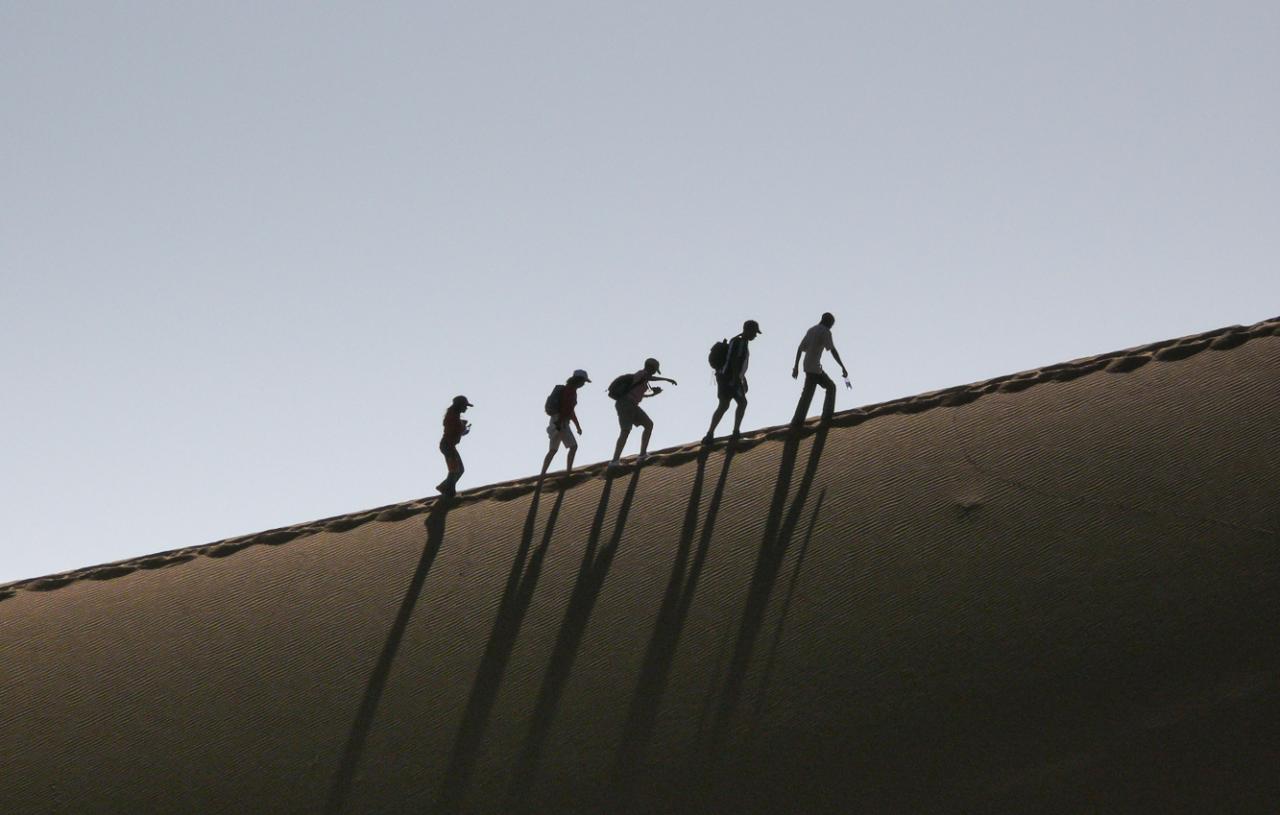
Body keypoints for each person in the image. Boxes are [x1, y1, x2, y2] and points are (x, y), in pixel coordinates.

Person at [609, 357, 677, 469]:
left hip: (632, 405)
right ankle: (614, 461)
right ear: (651, 368)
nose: (654, 372)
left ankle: (642, 455)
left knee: (648, 424)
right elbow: (650, 378)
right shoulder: (642, 374)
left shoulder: (643, 380)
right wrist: (667, 380)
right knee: (625, 431)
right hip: (626, 404)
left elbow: (638, 394)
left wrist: (653, 394)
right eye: (654, 369)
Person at [704, 319, 762, 445]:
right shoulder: (740, 342)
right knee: (738, 403)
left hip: (726, 378)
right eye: (754, 332)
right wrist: (737, 380)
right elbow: (735, 361)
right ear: (748, 330)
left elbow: (736, 362)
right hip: (729, 379)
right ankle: (734, 432)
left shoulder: (737, 341)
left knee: (725, 405)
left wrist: (742, 378)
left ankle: (710, 434)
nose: (755, 335)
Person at [791, 312, 848, 426]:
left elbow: (800, 348)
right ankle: (826, 416)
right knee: (830, 387)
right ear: (828, 322)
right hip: (814, 368)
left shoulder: (811, 330)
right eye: (831, 324)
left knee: (808, 395)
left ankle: (797, 421)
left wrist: (796, 367)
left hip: (809, 365)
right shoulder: (825, 332)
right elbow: (832, 350)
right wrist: (842, 366)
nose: (831, 327)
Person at [541, 369, 591, 477]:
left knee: (553, 450)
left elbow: (570, 410)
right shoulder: (571, 391)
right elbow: (568, 409)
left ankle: (542, 475)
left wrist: (577, 426)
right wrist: (561, 422)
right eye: (583, 381)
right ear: (579, 380)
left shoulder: (566, 390)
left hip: (554, 420)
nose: (583, 384)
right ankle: (568, 473)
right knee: (573, 447)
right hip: (561, 422)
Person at [437, 395, 472, 497]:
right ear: (459, 405)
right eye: (465, 406)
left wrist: (462, 428)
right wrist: (462, 428)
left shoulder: (454, 416)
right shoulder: (452, 417)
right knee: (455, 470)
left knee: (459, 470)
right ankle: (449, 493)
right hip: (447, 446)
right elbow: (452, 429)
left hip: (449, 445)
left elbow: (455, 430)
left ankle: (444, 487)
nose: (466, 408)